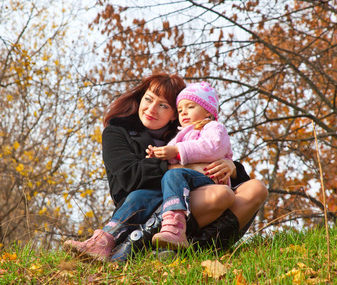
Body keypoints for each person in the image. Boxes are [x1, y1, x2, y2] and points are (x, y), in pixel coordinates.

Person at [63, 73, 267, 261]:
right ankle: (134, 244)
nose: (152, 109)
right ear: (141, 98)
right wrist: (183, 167)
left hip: (192, 200)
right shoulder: (119, 132)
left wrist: (231, 167)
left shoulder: (185, 133)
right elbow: (129, 176)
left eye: (163, 105)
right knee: (220, 195)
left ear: (173, 115)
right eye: (149, 99)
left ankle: (193, 247)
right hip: (146, 206)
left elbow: (223, 164)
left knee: (257, 188)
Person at [146, 81, 234, 250]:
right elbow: (173, 157)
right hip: (189, 184)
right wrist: (159, 154)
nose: (184, 112)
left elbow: (213, 148)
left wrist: (177, 150)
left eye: (191, 107)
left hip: (211, 180)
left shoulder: (214, 127)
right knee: (171, 175)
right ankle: (171, 226)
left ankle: (175, 228)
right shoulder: (182, 135)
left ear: (208, 110)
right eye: (180, 110)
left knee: (172, 175)